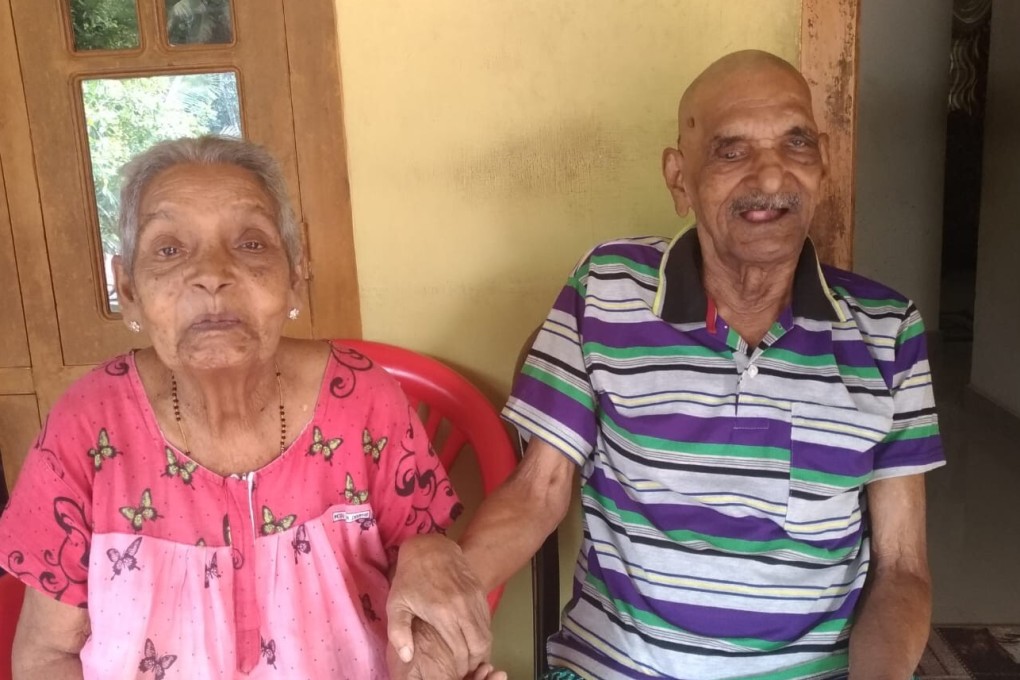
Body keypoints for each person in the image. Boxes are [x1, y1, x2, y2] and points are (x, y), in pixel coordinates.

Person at [386, 50, 945, 679]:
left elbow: (902, 567)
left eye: (795, 143)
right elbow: (536, 494)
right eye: (732, 151)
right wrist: (439, 635)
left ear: (822, 164)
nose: (770, 178)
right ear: (679, 178)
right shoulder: (606, 289)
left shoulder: (887, 329)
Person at [0, 136, 498, 680]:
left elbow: (423, 625)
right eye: (169, 248)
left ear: (296, 275)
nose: (212, 273)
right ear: (129, 290)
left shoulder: (364, 401)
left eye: (251, 243)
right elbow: (47, 655)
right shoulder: (86, 425)